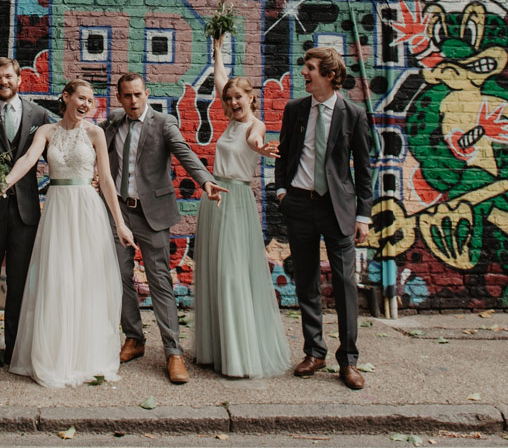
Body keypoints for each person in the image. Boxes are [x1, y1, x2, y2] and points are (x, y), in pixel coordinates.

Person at [0, 79, 137, 387]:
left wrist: (120, 223)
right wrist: (4, 183)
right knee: (58, 280)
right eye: (82, 98)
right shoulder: (47, 132)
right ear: (66, 97)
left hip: (87, 213)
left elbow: (106, 181)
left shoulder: (95, 133)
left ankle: (84, 357)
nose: (87, 104)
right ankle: (55, 356)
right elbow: (27, 160)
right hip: (58, 211)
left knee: (86, 282)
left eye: (91, 100)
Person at [106, 72, 227, 384]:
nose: (133, 101)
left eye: (138, 94)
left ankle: (173, 351)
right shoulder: (112, 122)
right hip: (119, 213)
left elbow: (183, 151)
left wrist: (206, 181)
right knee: (120, 279)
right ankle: (134, 338)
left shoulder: (163, 123)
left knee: (160, 281)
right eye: (127, 96)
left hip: (152, 216)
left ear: (147, 93)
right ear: (119, 97)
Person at [274, 45, 375, 389]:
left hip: (338, 209)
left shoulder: (353, 114)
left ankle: (348, 360)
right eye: (305, 67)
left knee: (345, 285)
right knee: (306, 283)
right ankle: (314, 351)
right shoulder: (295, 110)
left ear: (330, 76)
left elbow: (364, 168)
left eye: (311, 68)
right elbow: (283, 153)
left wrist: (364, 215)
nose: (304, 73)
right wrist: (282, 192)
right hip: (300, 204)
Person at [191, 35, 292, 378]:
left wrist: (262, 150)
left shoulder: (253, 124)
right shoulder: (231, 118)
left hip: (236, 203)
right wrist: (218, 52)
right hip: (214, 201)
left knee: (233, 276)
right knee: (214, 274)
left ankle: (238, 357)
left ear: (252, 98)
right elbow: (221, 80)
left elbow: (256, 140)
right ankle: (216, 350)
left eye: (240, 97)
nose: (234, 102)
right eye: (230, 98)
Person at [0, 56, 55, 375]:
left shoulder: (39, 115)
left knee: (19, 284)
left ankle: (14, 348)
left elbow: (53, 158)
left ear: (20, 79)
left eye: (8, 77)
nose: (3, 82)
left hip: (27, 212)